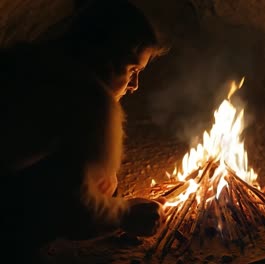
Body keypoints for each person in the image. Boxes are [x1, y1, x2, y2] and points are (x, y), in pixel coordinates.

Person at [0, 0, 171, 262]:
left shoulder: (29, 60)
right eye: (133, 69)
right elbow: (77, 209)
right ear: (106, 58)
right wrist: (126, 214)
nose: (135, 85)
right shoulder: (90, 99)